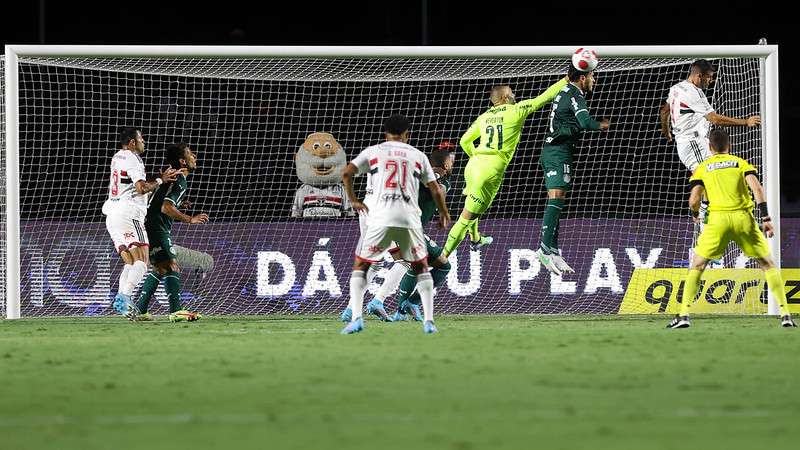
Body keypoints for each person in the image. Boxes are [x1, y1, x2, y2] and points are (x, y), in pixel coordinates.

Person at [666, 129, 795, 329]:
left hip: (717, 221)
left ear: (709, 147)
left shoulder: (703, 167)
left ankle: (683, 314)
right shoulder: (740, 163)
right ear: (729, 145)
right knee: (767, 264)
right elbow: (757, 189)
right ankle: (786, 314)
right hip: (744, 219)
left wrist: (695, 215)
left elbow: (694, 200)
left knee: (698, 266)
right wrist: (766, 217)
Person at [341, 114, 450, 334]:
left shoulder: (373, 152)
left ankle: (353, 312)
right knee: (413, 263)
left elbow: (346, 172)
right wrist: (443, 213)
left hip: (371, 213)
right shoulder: (416, 155)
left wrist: (353, 200)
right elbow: (435, 189)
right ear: (407, 134)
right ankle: (389, 306)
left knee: (369, 263)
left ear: (385, 132)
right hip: (399, 215)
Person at [442, 76, 569, 258]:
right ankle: (442, 258)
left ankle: (476, 239)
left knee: (472, 204)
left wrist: (477, 157)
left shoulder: (484, 116)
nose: (514, 95)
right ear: (503, 98)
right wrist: (566, 79)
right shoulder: (516, 110)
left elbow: (464, 141)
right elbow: (546, 96)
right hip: (490, 171)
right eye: (511, 93)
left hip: (473, 166)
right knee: (466, 217)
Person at [660, 59, 761, 233]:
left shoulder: (676, 88)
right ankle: (706, 228)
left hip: (690, 143)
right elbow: (714, 118)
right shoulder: (694, 93)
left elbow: (664, 111)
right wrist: (746, 121)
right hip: (693, 144)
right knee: (711, 179)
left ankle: (707, 221)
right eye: (709, 77)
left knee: (712, 179)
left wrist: (666, 131)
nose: (710, 81)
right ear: (699, 76)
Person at [535, 65, 610, 275]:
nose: (594, 80)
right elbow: (585, 122)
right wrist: (601, 125)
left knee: (558, 200)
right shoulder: (575, 94)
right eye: (593, 76)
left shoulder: (564, 91)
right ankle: (542, 248)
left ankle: (553, 251)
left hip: (556, 151)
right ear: (583, 77)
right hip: (557, 152)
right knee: (556, 197)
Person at [102, 127, 178, 316]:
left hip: (112, 214)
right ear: (132, 143)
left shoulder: (117, 157)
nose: (144, 141)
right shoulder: (132, 158)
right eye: (141, 139)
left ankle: (124, 305)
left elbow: (132, 187)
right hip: (129, 213)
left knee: (129, 262)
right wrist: (161, 180)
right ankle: (124, 297)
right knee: (142, 262)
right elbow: (142, 188)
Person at [132, 143, 209, 322]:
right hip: (156, 226)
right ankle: (176, 310)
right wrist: (191, 219)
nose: (194, 156)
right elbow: (166, 207)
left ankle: (140, 310)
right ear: (182, 160)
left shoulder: (171, 177)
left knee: (160, 268)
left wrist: (180, 203)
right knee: (172, 265)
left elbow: (159, 200)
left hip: (150, 224)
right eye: (190, 153)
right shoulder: (180, 178)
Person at [391, 147, 455, 321]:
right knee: (443, 266)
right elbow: (437, 189)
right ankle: (408, 305)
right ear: (446, 163)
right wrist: (443, 211)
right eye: (452, 161)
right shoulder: (436, 176)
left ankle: (402, 310)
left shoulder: (419, 173)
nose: (453, 165)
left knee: (419, 266)